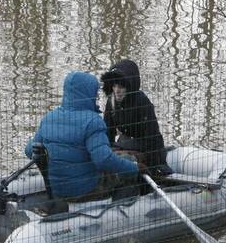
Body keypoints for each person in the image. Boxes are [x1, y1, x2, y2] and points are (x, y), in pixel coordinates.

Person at [25, 71, 140, 202]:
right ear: (88, 93)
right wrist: (134, 168)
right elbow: (103, 160)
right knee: (127, 163)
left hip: (56, 188)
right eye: (95, 92)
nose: (96, 96)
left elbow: (29, 150)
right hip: (86, 189)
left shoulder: (49, 118)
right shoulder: (92, 121)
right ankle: (124, 209)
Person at [100, 59, 171, 176]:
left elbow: (152, 136)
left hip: (145, 146)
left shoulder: (142, 102)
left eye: (121, 87)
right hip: (124, 144)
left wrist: (155, 165)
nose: (117, 90)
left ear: (129, 86)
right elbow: (108, 133)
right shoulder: (111, 102)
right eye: (114, 86)